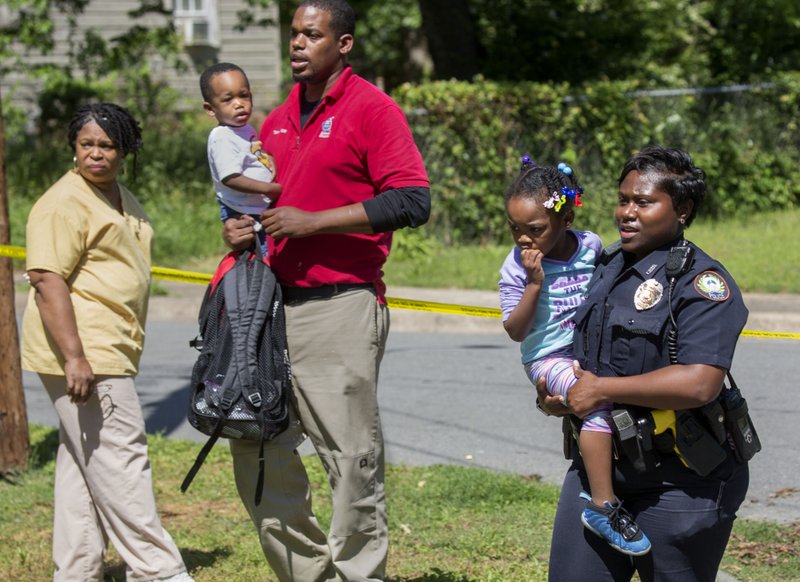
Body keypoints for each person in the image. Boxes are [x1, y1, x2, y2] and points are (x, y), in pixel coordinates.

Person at [221, 0, 430, 580]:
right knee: (256, 449)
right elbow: (253, 202)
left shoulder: (373, 109)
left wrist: (314, 222)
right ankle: (308, 573)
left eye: (311, 35)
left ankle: (358, 573)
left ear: (343, 44)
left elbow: (413, 200)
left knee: (350, 463)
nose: (297, 44)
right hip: (267, 307)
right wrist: (237, 228)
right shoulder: (274, 120)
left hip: (340, 305)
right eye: (293, 34)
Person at [536, 145, 750, 581]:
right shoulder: (602, 266)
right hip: (600, 471)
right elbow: (573, 354)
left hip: (681, 479)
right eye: (623, 200)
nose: (627, 213)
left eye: (644, 202)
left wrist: (601, 391)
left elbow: (700, 383)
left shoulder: (702, 283)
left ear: (684, 209)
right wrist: (556, 396)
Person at [20, 103, 193, 582]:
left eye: (107, 145)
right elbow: (46, 278)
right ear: (74, 149)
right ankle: (160, 572)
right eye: (86, 145)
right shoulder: (62, 202)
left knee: (85, 462)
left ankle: (76, 572)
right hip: (86, 352)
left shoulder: (118, 195)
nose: (96, 154)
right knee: (122, 459)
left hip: (109, 346)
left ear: (124, 150)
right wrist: (75, 356)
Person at [499, 157, 651, 556]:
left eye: (534, 230)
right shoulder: (516, 267)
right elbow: (515, 331)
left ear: (565, 219)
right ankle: (603, 505)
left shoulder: (591, 246)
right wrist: (535, 283)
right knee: (596, 404)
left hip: (587, 350)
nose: (523, 240)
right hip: (547, 359)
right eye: (514, 229)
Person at [200, 61, 281, 256]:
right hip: (244, 213)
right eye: (228, 100)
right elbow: (230, 177)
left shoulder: (245, 130)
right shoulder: (222, 135)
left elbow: (252, 156)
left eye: (243, 96)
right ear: (210, 109)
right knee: (261, 264)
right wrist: (269, 188)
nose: (239, 104)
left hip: (256, 208)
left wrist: (269, 162)